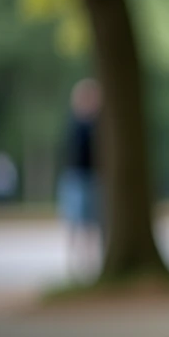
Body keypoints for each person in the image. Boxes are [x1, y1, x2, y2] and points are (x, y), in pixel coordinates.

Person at [57, 78, 103, 276]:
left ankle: (90, 261)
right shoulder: (74, 123)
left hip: (93, 177)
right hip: (75, 176)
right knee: (74, 220)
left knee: (92, 221)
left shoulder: (98, 125)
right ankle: (73, 263)